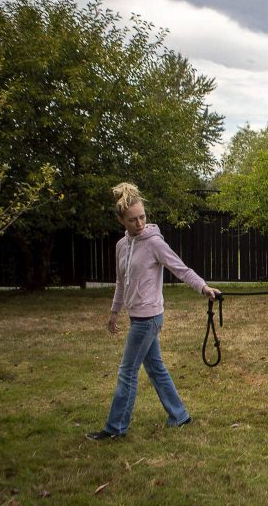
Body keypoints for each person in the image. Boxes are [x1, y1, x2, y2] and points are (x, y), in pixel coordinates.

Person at [86, 182, 220, 441]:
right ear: (121, 220)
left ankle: (116, 428)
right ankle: (179, 415)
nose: (139, 223)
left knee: (127, 371)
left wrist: (203, 287)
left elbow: (180, 269)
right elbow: (120, 282)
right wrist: (115, 311)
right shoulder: (121, 247)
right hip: (136, 315)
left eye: (142, 217)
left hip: (149, 318)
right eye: (132, 219)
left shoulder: (154, 243)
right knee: (156, 368)